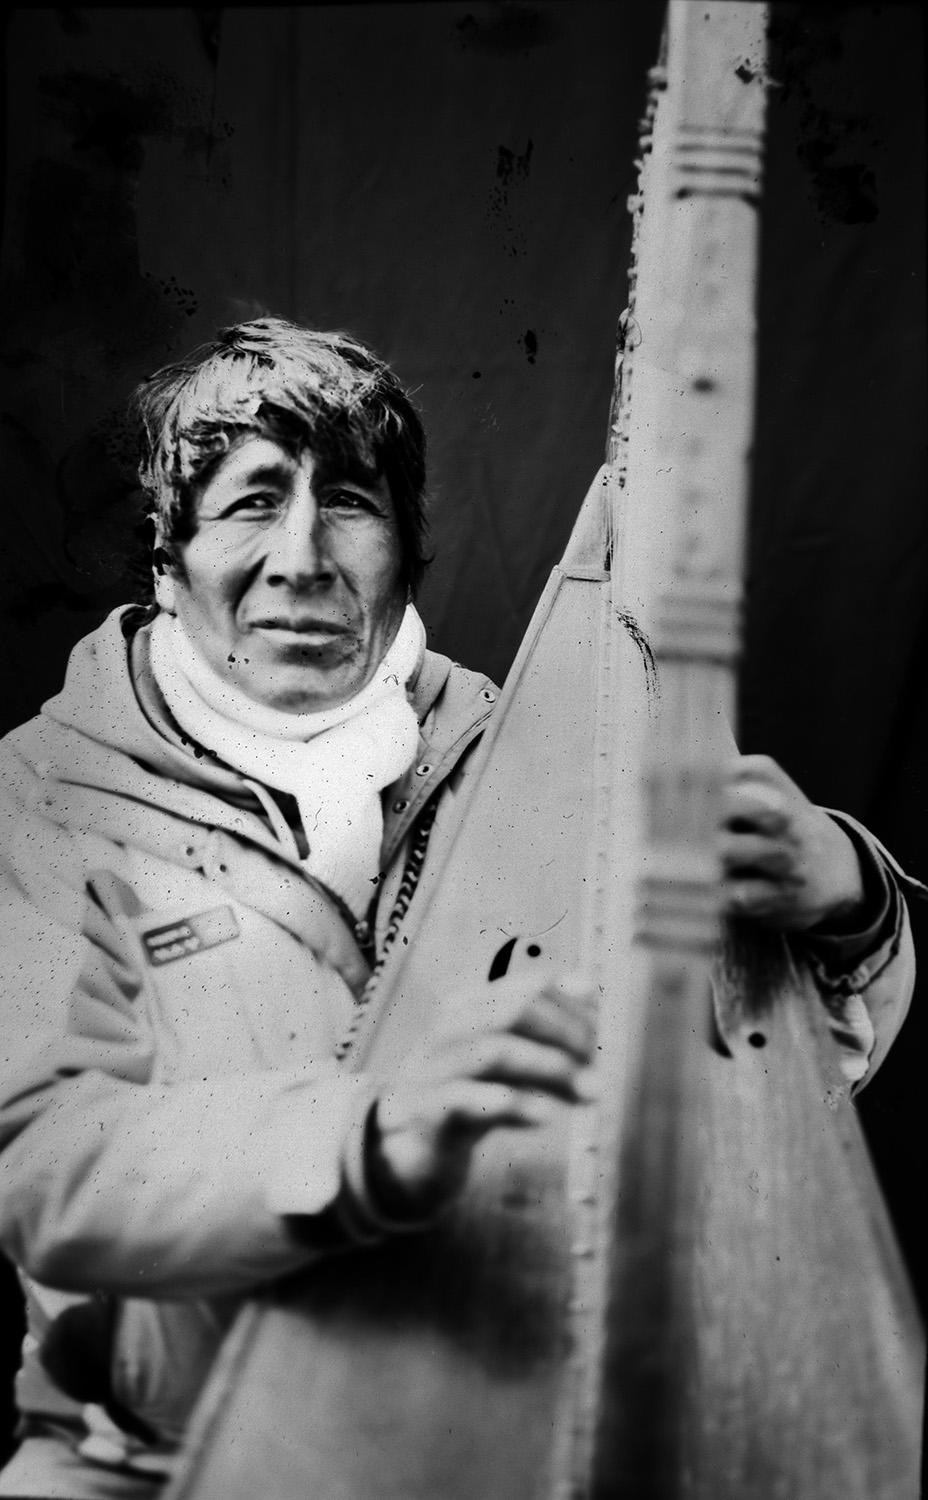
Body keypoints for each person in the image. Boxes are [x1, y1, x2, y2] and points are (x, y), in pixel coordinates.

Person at [0, 318, 916, 1499]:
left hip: (493, 1441)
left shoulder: (522, 755)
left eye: (350, 503)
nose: (302, 559)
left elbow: (753, 1083)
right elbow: (45, 1164)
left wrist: (840, 902)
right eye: (249, 502)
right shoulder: (46, 795)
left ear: (409, 547)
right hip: (147, 1462)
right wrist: (369, 1136)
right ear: (166, 557)